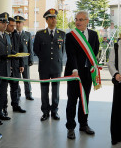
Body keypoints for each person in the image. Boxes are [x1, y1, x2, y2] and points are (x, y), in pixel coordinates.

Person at [65, 11, 99, 139]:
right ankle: (70, 127)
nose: (78, 22)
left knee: (85, 99)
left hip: (87, 74)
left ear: (87, 21)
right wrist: (74, 69)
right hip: (74, 73)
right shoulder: (71, 36)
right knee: (72, 100)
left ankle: (83, 124)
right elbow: (71, 54)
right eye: (76, 19)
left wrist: (92, 68)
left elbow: (95, 51)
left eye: (81, 19)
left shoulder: (94, 35)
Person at [34, 8, 65, 121]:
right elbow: (36, 49)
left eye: (55, 18)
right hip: (44, 67)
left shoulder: (62, 34)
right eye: (51, 18)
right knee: (44, 90)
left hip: (56, 66)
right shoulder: (40, 34)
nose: (53, 20)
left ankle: (55, 111)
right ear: (46, 20)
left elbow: (63, 51)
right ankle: (45, 112)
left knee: (56, 91)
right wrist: (44, 58)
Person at [0, 12, 16, 125]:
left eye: (6, 22)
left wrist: (15, 54)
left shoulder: (7, 35)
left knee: (3, 93)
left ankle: (0, 112)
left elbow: (8, 50)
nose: (5, 24)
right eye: (2, 22)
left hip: (6, 69)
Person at [3, 17, 26, 116]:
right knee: (3, 89)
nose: (13, 27)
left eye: (14, 26)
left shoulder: (16, 35)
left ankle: (15, 105)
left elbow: (20, 50)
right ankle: (3, 108)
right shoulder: (2, 36)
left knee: (15, 87)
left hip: (16, 66)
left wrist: (21, 64)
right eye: (11, 26)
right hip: (5, 66)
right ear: (6, 25)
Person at [14, 15, 34, 100]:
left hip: (25, 61)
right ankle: (18, 94)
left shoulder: (27, 34)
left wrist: (31, 59)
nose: (18, 24)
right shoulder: (12, 34)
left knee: (26, 79)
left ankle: (28, 94)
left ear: (23, 23)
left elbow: (30, 48)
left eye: (19, 23)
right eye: (16, 23)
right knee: (16, 80)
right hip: (16, 61)